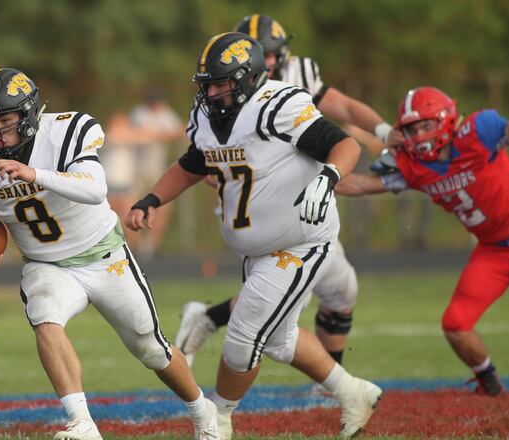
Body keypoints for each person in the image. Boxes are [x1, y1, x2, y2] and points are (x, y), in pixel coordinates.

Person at [126, 33, 382, 439]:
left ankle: (219, 419)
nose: (211, 92)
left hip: (300, 242)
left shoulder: (277, 106)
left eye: (220, 84)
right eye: (206, 83)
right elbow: (195, 163)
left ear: (247, 79)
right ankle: (354, 392)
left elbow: (343, 144)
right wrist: (153, 198)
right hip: (258, 250)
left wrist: (328, 178)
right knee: (279, 341)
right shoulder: (207, 115)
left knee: (244, 336)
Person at [0, 68, 219, 440]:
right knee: (44, 316)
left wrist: (34, 173)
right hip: (45, 262)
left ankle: (203, 411)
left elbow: (95, 188)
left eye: (4, 119)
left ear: (28, 115)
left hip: (102, 254)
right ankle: (82, 423)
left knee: (151, 349)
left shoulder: (65, 131)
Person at [175, 14, 395, 374]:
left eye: (276, 55)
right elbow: (204, 156)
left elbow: (345, 114)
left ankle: (210, 318)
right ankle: (328, 387)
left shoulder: (296, 80)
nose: (274, 62)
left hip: (306, 195)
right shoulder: (218, 99)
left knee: (333, 293)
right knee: (286, 300)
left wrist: (384, 134)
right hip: (261, 204)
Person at [335, 86, 509, 396]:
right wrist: (315, 176)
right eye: (412, 129)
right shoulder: (414, 167)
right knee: (456, 324)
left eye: (426, 125)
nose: (419, 135)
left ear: (446, 120)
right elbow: (358, 185)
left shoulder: (479, 133)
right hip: (493, 252)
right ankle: (490, 385)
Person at [102, 91, 186, 258]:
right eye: (121, 123)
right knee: (115, 220)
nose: (126, 125)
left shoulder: (127, 132)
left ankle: (136, 250)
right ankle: (126, 250)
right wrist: (165, 133)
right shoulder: (113, 134)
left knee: (128, 216)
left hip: (124, 183)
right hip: (111, 185)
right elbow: (140, 136)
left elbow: (144, 135)